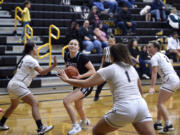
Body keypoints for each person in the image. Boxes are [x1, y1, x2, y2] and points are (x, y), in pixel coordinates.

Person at [58, 43, 155, 135]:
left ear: (112, 56)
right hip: (142, 106)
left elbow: (85, 83)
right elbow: (140, 90)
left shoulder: (109, 69)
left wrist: (67, 80)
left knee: (96, 131)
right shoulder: (131, 68)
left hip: (124, 107)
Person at [0, 41, 56, 135]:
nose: (37, 49)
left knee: (14, 105)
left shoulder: (25, 58)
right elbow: (42, 72)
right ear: (32, 50)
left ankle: (1, 123)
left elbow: (33, 74)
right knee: (35, 102)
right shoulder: (31, 60)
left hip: (12, 84)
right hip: (17, 85)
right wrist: (53, 66)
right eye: (36, 47)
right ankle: (40, 127)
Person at [61, 39, 96, 135]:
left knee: (66, 101)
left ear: (78, 47)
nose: (72, 45)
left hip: (86, 83)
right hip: (77, 83)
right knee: (78, 106)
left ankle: (76, 126)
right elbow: (67, 68)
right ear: (68, 45)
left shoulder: (82, 57)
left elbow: (93, 71)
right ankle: (85, 121)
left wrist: (80, 76)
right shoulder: (67, 55)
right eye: (71, 43)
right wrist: (63, 73)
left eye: (75, 44)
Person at [148, 41, 180, 134]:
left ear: (155, 48)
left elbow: (154, 73)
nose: (148, 48)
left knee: (160, 104)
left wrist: (152, 87)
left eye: (150, 47)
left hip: (169, 80)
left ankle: (168, 124)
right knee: (160, 103)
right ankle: (158, 123)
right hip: (174, 79)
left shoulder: (155, 57)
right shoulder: (161, 55)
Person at [94, 36, 115, 101]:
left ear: (114, 42)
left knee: (115, 82)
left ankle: (117, 96)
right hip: (106, 65)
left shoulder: (117, 49)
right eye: (109, 42)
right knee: (101, 82)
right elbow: (103, 58)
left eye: (112, 42)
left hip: (113, 65)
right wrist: (101, 66)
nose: (110, 43)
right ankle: (96, 95)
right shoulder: (106, 49)